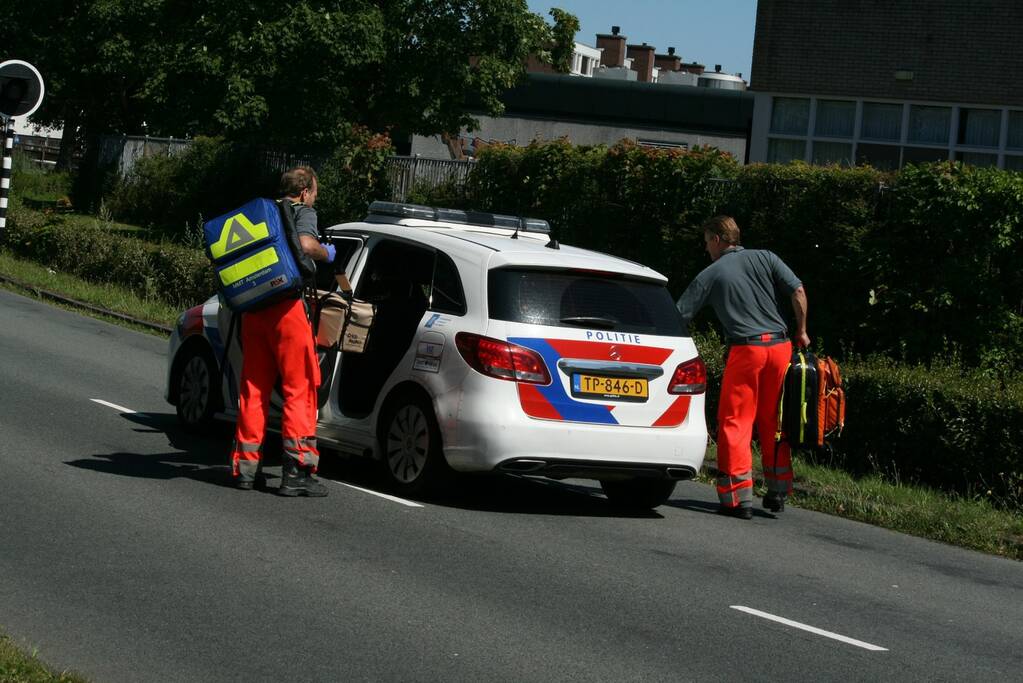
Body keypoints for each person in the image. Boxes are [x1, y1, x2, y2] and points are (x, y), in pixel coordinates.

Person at [676, 215, 809, 520]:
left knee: (736, 420)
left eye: (707, 241)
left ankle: (738, 497)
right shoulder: (767, 257)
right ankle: (778, 489)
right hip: (780, 347)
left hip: (747, 349)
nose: (706, 248)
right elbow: (798, 291)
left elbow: (679, 314)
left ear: (717, 240)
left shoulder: (710, 274)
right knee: (773, 420)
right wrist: (801, 330)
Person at [229, 166, 337, 496]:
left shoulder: (263, 213)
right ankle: (298, 471)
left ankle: (246, 469)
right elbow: (305, 244)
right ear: (304, 192)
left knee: (254, 388)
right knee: (300, 389)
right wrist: (327, 253)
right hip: (287, 310)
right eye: (314, 192)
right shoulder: (303, 211)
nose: (314, 197)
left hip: (254, 310)